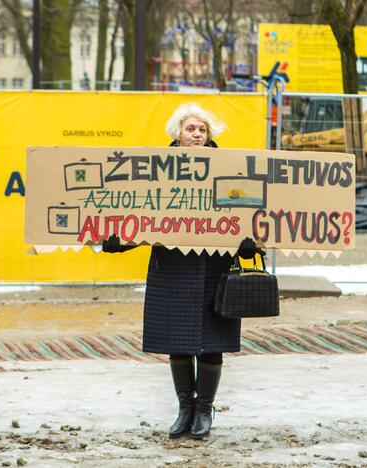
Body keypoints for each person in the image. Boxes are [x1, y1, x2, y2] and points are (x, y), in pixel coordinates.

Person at [103, 103, 261, 439]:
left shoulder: (230, 169)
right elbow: (146, 216)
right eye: (191, 129)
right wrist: (120, 241)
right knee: (178, 341)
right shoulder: (156, 171)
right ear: (177, 133)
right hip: (173, 267)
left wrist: (248, 245)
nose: (197, 135)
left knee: (212, 341)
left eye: (202, 129)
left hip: (214, 268)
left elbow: (245, 212)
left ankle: (204, 409)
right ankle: (184, 408)